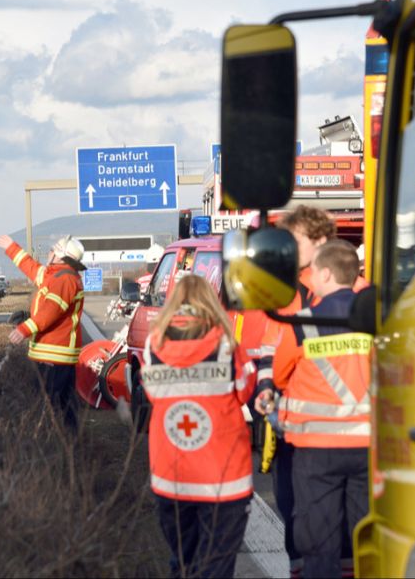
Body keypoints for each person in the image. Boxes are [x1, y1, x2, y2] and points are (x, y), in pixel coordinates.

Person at [257, 240, 371, 579]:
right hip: (369, 446)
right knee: (364, 537)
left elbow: (279, 375)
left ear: (326, 274)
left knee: (319, 539)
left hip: (316, 448)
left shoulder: (304, 323)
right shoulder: (376, 318)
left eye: (314, 272)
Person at [141, 274, 257, 578]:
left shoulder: (154, 343)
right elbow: (245, 389)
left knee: (182, 564)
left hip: (172, 474)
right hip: (223, 477)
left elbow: (152, 393)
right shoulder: (226, 343)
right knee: (216, 567)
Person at [254, 204, 338, 576]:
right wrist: (264, 386)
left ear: (319, 240)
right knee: (295, 511)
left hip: (323, 426)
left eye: (295, 241)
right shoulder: (288, 291)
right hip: (302, 423)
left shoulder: (342, 288)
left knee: (319, 519)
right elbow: (270, 347)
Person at [0, 234, 86, 430]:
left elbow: (49, 312)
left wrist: (24, 329)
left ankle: (58, 442)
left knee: (49, 407)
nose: (49, 252)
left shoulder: (64, 279)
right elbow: (31, 268)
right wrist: (11, 248)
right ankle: (71, 442)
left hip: (53, 355)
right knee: (64, 407)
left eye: (53, 250)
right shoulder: (57, 275)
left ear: (60, 256)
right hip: (55, 354)